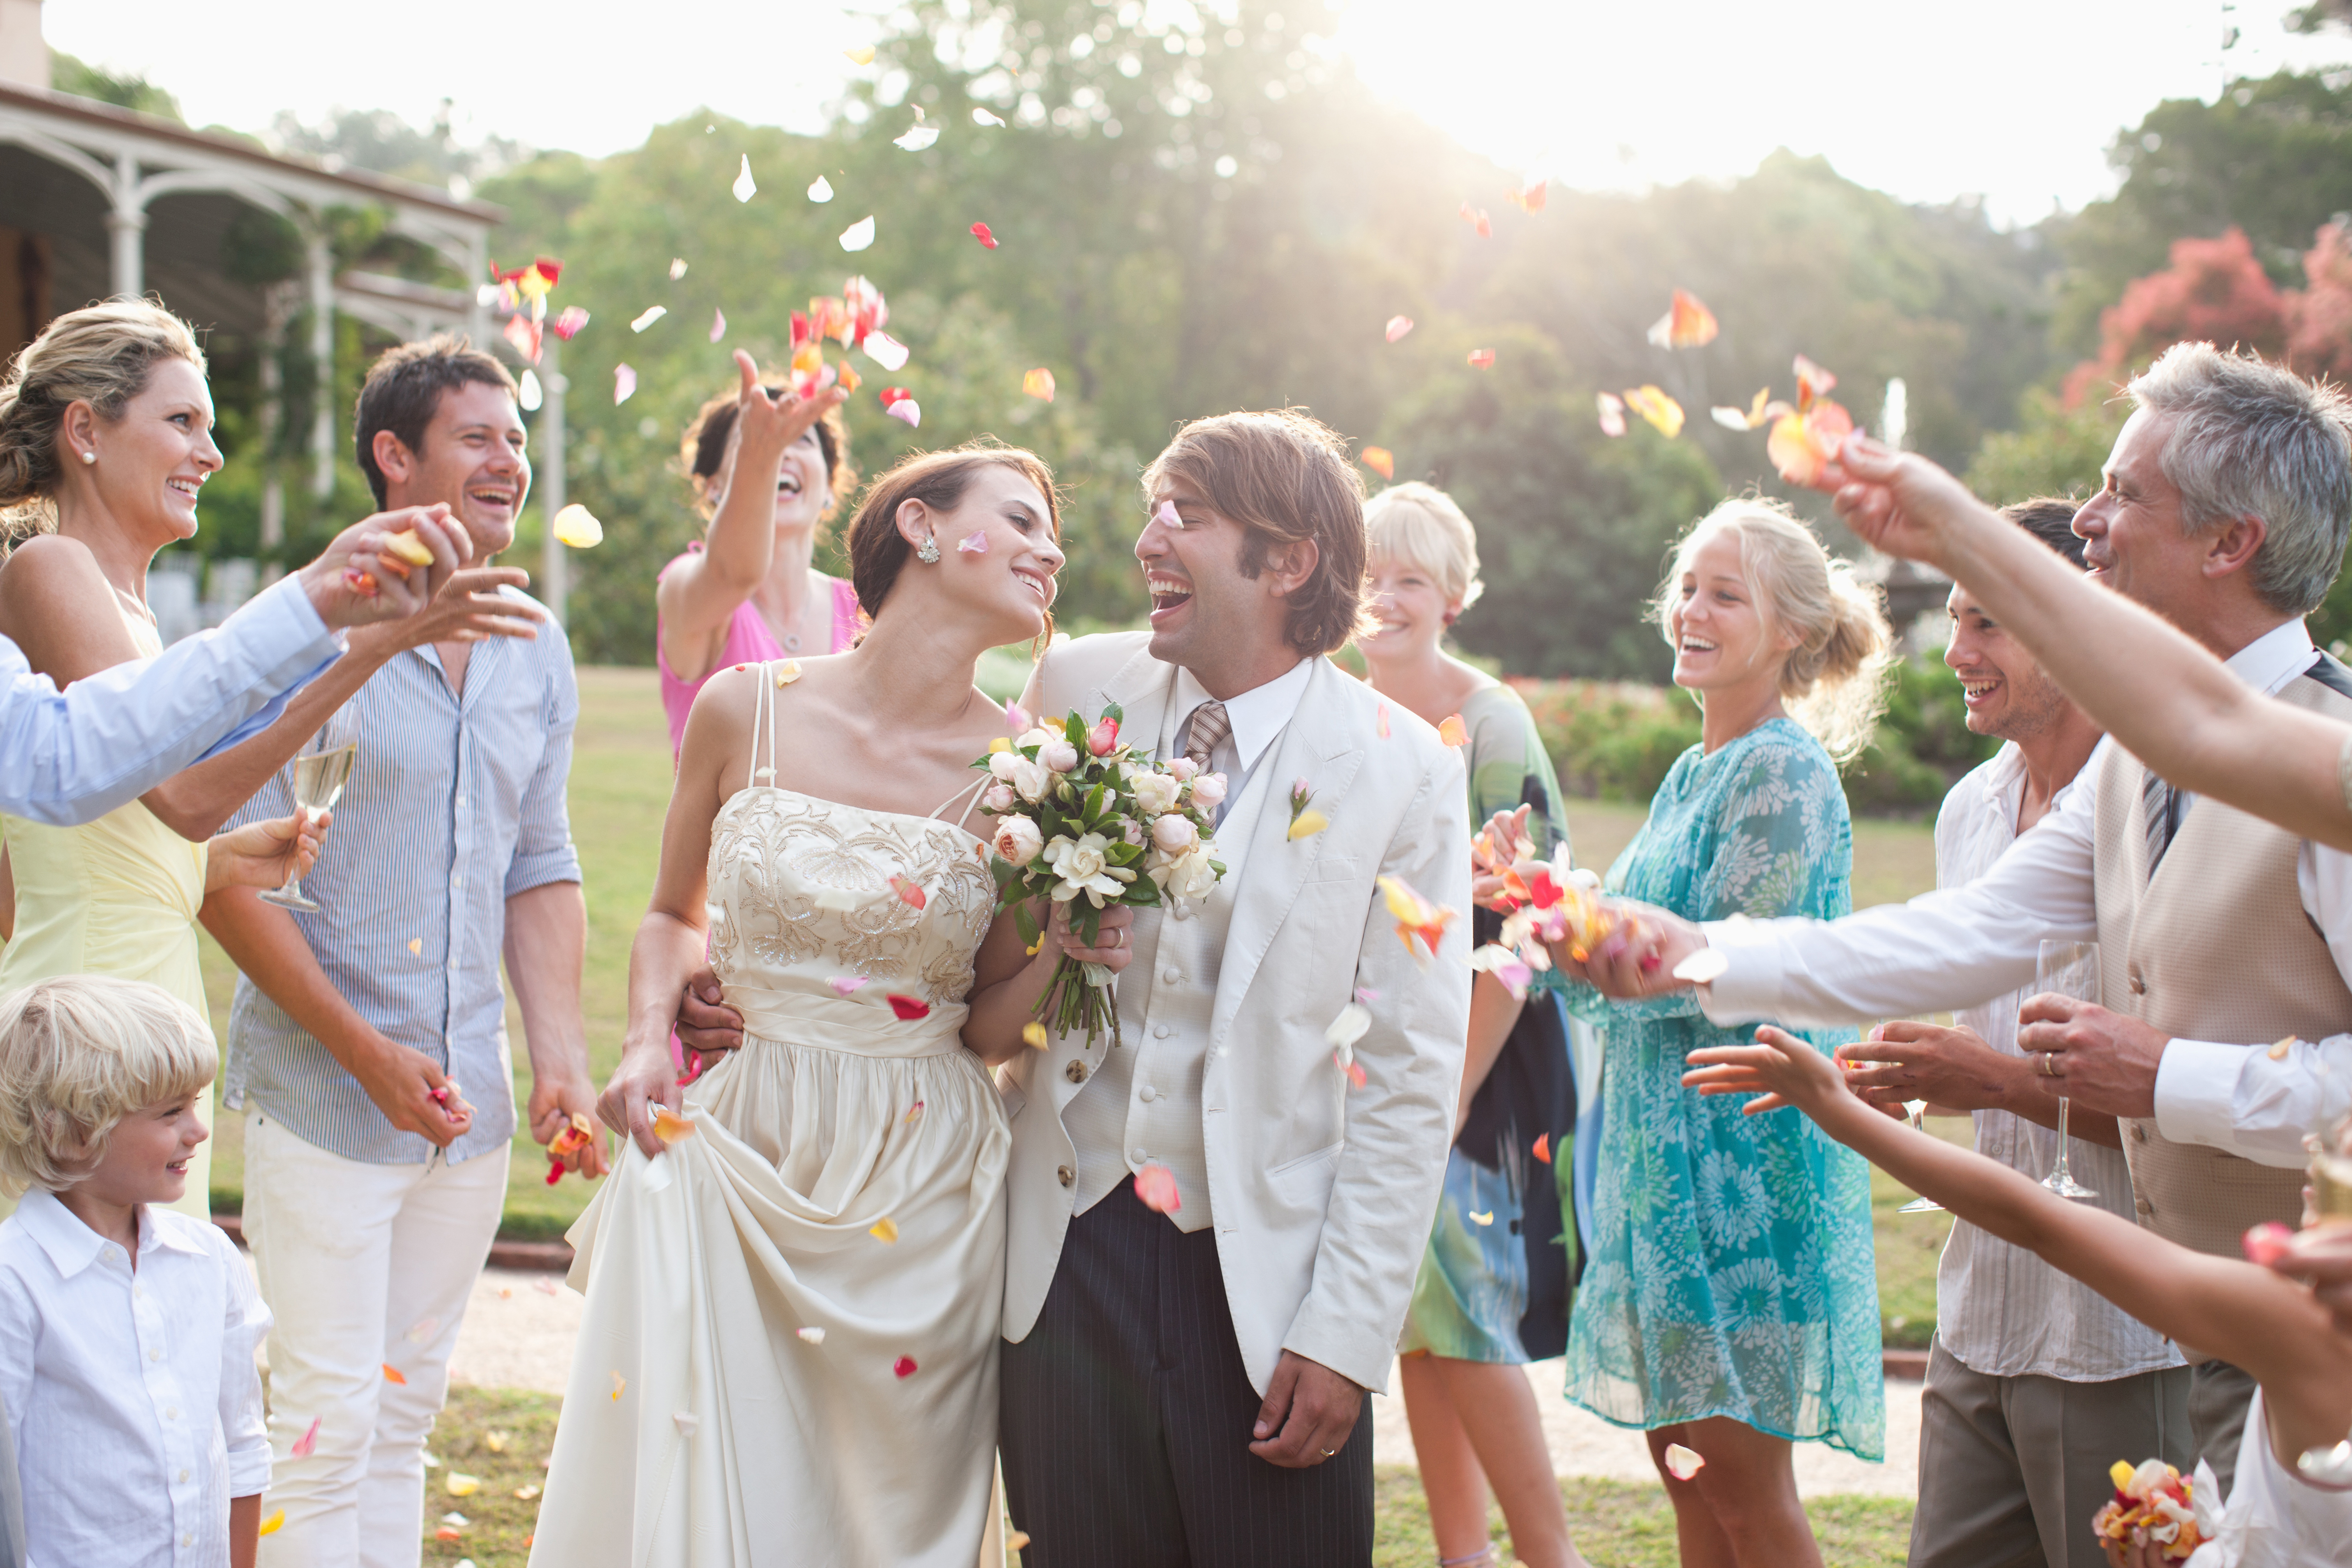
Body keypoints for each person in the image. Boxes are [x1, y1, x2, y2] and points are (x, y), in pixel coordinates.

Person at [1598, 342, 2352, 1491]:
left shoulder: (2330, 760)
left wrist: (2164, 1074)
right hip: (2217, 1334)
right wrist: (1694, 951)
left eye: (2120, 492)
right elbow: (1955, 934)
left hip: (2314, 1350)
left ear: (2227, 539)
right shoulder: (2130, 768)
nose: (2086, 521)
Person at [530, 440, 1094, 1567]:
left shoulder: (1028, 770)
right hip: (744, 1147)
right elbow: (667, 913)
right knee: (717, 1481)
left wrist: (1063, 956)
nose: (1050, 548)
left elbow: (988, 1024)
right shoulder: (746, 708)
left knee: (887, 1519)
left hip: (922, 1185)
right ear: (923, 526)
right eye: (1020, 519)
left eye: (1052, 533)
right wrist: (648, 1038)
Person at [995, 408, 1469, 1567]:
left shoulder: (1402, 766)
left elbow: (1408, 1074)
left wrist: (1348, 1333)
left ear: (1288, 559)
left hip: (1265, 1283)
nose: (1148, 535)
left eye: (1186, 516)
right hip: (1067, 1257)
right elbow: (981, 923)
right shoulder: (1077, 684)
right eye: (1157, 505)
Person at [0, 300, 540, 1220]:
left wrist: (213, 865)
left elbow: (148, 824)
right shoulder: (50, 568)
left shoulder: (134, 610)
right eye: (183, 423)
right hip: (86, 1021)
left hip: (153, 998)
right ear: (85, 431)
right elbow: (182, 796)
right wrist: (369, 644)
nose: (210, 455)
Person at [199, 334, 599, 1568]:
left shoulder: (537, 640)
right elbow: (217, 867)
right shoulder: (302, 631)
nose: (508, 462)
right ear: (395, 454)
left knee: (405, 1412)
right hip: (325, 1093)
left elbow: (541, 861)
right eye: (478, 436)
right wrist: (366, 1051)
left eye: (517, 441)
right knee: (322, 1422)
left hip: (461, 1109)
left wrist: (558, 1059)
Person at [1526, 496, 1891, 1568]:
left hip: (1740, 1168)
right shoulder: (1691, 770)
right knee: (1683, 1468)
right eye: (1686, 584)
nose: (1690, 606)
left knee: (1742, 1486)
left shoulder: (1782, 769)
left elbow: (1696, 969)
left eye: (1723, 592)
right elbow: (1615, 976)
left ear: (1787, 630)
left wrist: (1571, 917)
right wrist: (1539, 900)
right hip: (1656, 1163)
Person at [1850, 498, 2191, 1568]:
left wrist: (1987, 1076)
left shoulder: (2161, 814)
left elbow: (2180, 1112)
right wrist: (1911, 1074)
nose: (1953, 651)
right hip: (1978, 1314)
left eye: (1985, 622)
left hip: (2120, 1334)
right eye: (1951, 619)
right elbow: (1989, 1056)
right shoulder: (1967, 809)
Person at [1680, 1028, 2352, 1568]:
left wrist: (1834, 1105)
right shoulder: (2290, 1325)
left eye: (2340, 1159)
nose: (2312, 1159)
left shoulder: (2295, 1332)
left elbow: (2039, 1220)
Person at [1355, 481, 1587, 1568]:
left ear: (1451, 595)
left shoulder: (1489, 722)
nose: (1383, 597)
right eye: (1367, 575)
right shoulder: (1344, 706)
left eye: (1407, 578)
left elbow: (1531, 921)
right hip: (1374, 1046)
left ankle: (1549, 1553)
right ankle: (1462, 1554)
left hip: (1481, 1051)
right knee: (1412, 1307)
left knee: (1465, 1304)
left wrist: (1449, 1085)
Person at [0, 976, 274, 1568]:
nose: (198, 1130)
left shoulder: (210, 1260)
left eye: (195, 1105)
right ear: (71, 1132)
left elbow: (242, 1443)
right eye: (171, 1112)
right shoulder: (14, 1284)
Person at [654, 354, 855, 757]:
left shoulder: (863, 607)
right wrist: (759, 458)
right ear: (713, 487)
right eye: (751, 439)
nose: (780, 451)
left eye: (800, 439)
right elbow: (734, 574)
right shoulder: (684, 587)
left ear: (831, 486)